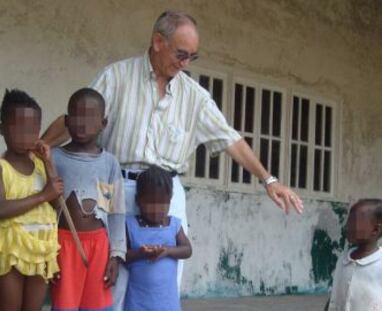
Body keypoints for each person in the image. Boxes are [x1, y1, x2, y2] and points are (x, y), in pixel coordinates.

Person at [42, 10, 304, 310]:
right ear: (158, 42)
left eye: (192, 57)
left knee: (162, 282)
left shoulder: (195, 96)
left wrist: (268, 179)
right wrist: (40, 146)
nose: (185, 64)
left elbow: (228, 137)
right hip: (116, 187)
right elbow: (77, 118)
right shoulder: (116, 77)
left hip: (167, 196)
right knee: (111, 279)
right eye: (181, 54)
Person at [0, 89, 63, 311]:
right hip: (12, 250)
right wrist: (43, 195)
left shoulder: (41, 166)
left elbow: (57, 204)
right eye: (17, 128)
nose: (25, 135)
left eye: (32, 129)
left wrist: (48, 163)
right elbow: (0, 208)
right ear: (2, 128)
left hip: (41, 251)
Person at [49, 88, 126, 311]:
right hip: (63, 245)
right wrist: (48, 253)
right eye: (76, 115)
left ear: (103, 123)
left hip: (99, 247)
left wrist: (116, 255)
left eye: (91, 117)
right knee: (64, 305)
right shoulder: (54, 158)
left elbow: (115, 212)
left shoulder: (109, 163)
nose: (83, 123)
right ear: (66, 120)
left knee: (97, 306)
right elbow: (46, 209)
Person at [125, 165, 192, 311]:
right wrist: (140, 253)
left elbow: (187, 250)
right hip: (138, 302)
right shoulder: (131, 225)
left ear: (170, 201)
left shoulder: (173, 225)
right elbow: (122, 255)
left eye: (162, 204)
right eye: (150, 204)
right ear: (138, 201)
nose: (156, 210)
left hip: (167, 302)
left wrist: (167, 251)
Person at [324, 199, 382, 311]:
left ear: (376, 229)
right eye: (349, 221)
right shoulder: (343, 259)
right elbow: (334, 296)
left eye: (355, 222)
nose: (348, 226)